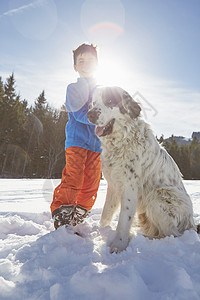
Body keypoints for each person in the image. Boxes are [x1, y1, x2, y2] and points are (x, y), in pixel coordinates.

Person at [50, 43, 102, 230]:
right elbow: (79, 112)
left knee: (92, 181)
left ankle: (79, 212)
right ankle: (62, 211)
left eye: (90, 60)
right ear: (75, 67)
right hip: (77, 141)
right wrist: (102, 119)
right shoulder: (73, 88)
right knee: (75, 176)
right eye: (81, 61)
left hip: (97, 146)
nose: (86, 64)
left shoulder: (103, 91)